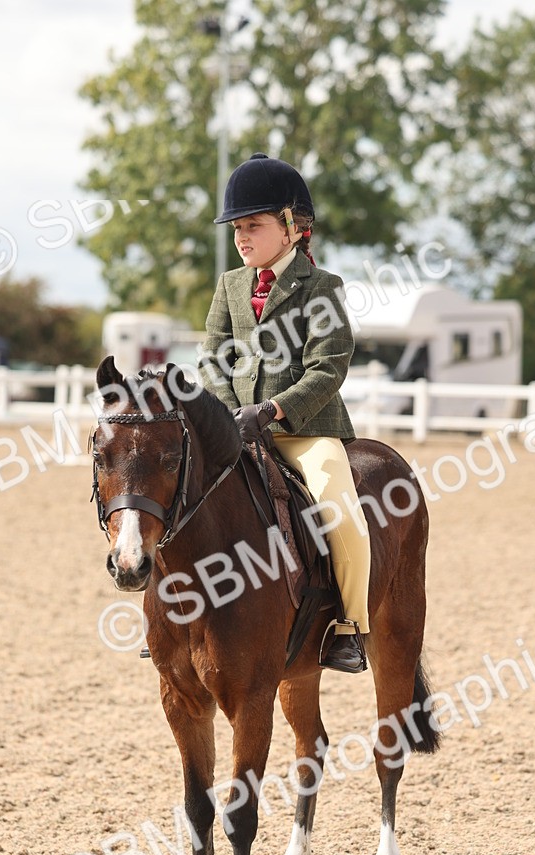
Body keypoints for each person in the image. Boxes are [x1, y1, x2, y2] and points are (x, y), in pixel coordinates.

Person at [198, 152, 371, 674]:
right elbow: (212, 358)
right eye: (237, 228)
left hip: (305, 431)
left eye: (254, 225)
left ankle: (350, 626)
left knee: (340, 511)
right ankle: (175, 621)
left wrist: (272, 410)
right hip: (235, 428)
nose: (242, 237)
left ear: (292, 226)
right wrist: (230, 413)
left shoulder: (322, 287)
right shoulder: (230, 285)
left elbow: (328, 368)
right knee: (180, 501)